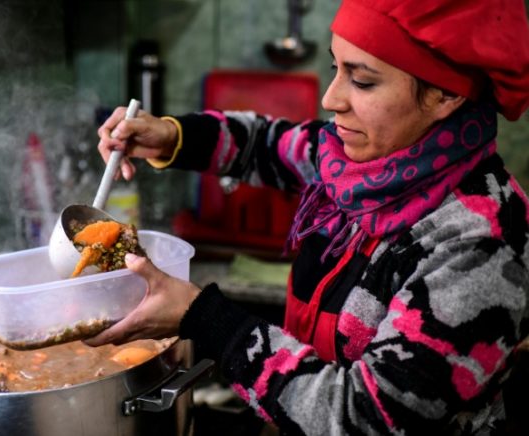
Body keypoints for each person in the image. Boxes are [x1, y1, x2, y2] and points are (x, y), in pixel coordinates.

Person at [87, 0, 529, 433]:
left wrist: (204, 318)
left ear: (446, 93)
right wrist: (170, 137)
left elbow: (361, 416)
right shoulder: (355, 164)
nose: (330, 98)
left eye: (363, 81)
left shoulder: (479, 242)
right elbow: (262, 144)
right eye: (337, 68)